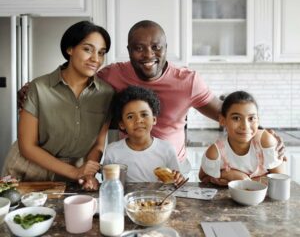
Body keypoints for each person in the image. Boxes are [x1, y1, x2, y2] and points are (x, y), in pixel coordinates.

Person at [17, 20, 286, 180]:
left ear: (166, 48)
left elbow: (226, 115)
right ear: (128, 51)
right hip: (130, 168)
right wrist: (34, 87)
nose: (148, 54)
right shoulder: (111, 75)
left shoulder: (188, 81)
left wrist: (262, 131)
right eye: (139, 48)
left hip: (173, 170)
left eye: (156, 47)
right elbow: (77, 70)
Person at [2, 21, 115, 190]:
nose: (96, 59)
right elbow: (27, 146)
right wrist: (75, 172)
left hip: (73, 174)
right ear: (70, 49)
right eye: (87, 49)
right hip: (27, 169)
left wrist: (87, 173)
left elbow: (98, 145)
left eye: (101, 52)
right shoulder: (38, 88)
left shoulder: (106, 94)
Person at [199, 91, 285, 186]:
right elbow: (203, 178)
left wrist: (241, 179)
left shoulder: (265, 142)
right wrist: (223, 176)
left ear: (258, 120)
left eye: (251, 118)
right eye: (236, 118)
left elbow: (280, 182)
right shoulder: (215, 152)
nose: (245, 126)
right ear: (222, 120)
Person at [103, 85, 185, 185]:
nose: (138, 120)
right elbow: (108, 184)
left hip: (160, 199)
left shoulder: (167, 149)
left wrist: (178, 178)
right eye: (130, 117)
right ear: (122, 124)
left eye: (144, 115)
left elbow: (176, 181)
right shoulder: (112, 152)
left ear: (154, 119)